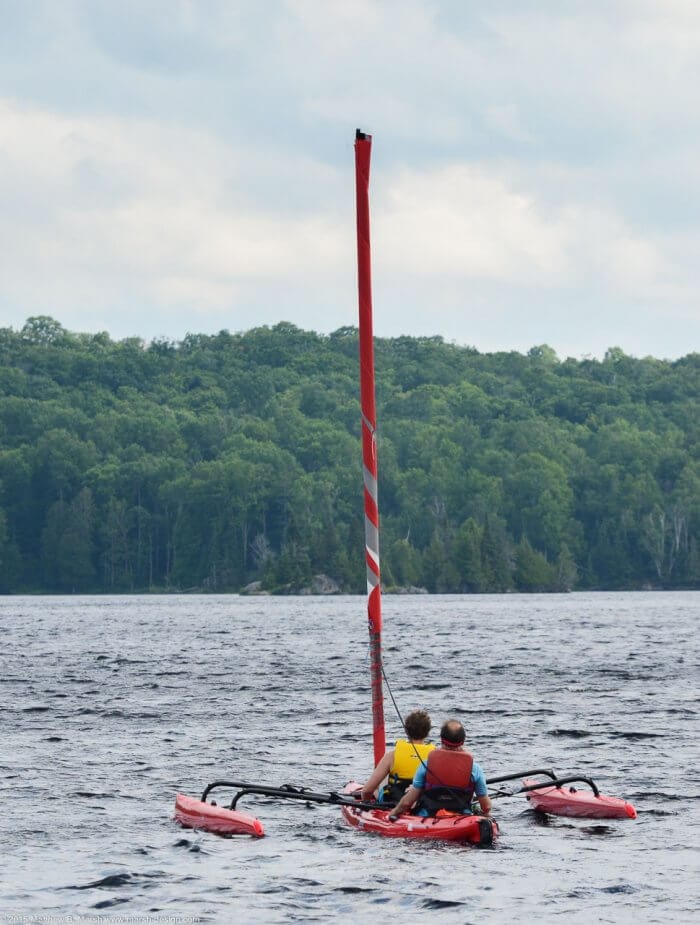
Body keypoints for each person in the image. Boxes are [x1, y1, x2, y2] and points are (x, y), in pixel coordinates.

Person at [389, 718, 492, 818]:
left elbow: (407, 802)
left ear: (442, 740)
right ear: (463, 741)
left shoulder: (426, 765)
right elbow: (486, 807)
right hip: (462, 817)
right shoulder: (474, 769)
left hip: (428, 816)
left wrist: (393, 813)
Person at [360, 709, 434, 804]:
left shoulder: (391, 756)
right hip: (423, 802)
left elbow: (367, 791)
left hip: (395, 800)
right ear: (428, 731)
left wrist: (366, 804)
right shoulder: (435, 757)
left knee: (380, 785)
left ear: (406, 731)